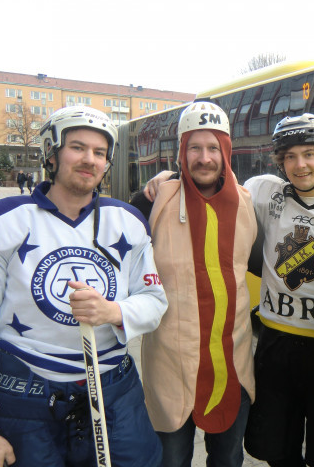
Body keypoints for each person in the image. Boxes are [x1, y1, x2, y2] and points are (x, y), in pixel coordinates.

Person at [144, 113, 314, 467]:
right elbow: (210, 184)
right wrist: (168, 178)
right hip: (274, 348)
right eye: (290, 157)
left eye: (310, 154)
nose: (301, 165)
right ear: (279, 162)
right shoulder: (264, 192)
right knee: (276, 453)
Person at [0, 106, 168, 467]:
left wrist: (114, 311)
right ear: (50, 153)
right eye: (77, 147)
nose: (89, 159)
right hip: (24, 396)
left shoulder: (129, 222)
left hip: (115, 391)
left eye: (99, 153)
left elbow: (154, 300)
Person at [136, 101, 257, 467]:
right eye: (194, 148)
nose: (204, 158)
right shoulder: (150, 203)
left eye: (213, 148)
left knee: (227, 460)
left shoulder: (249, 204)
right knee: (170, 461)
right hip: (171, 367)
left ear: (226, 151)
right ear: (180, 152)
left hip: (231, 364)